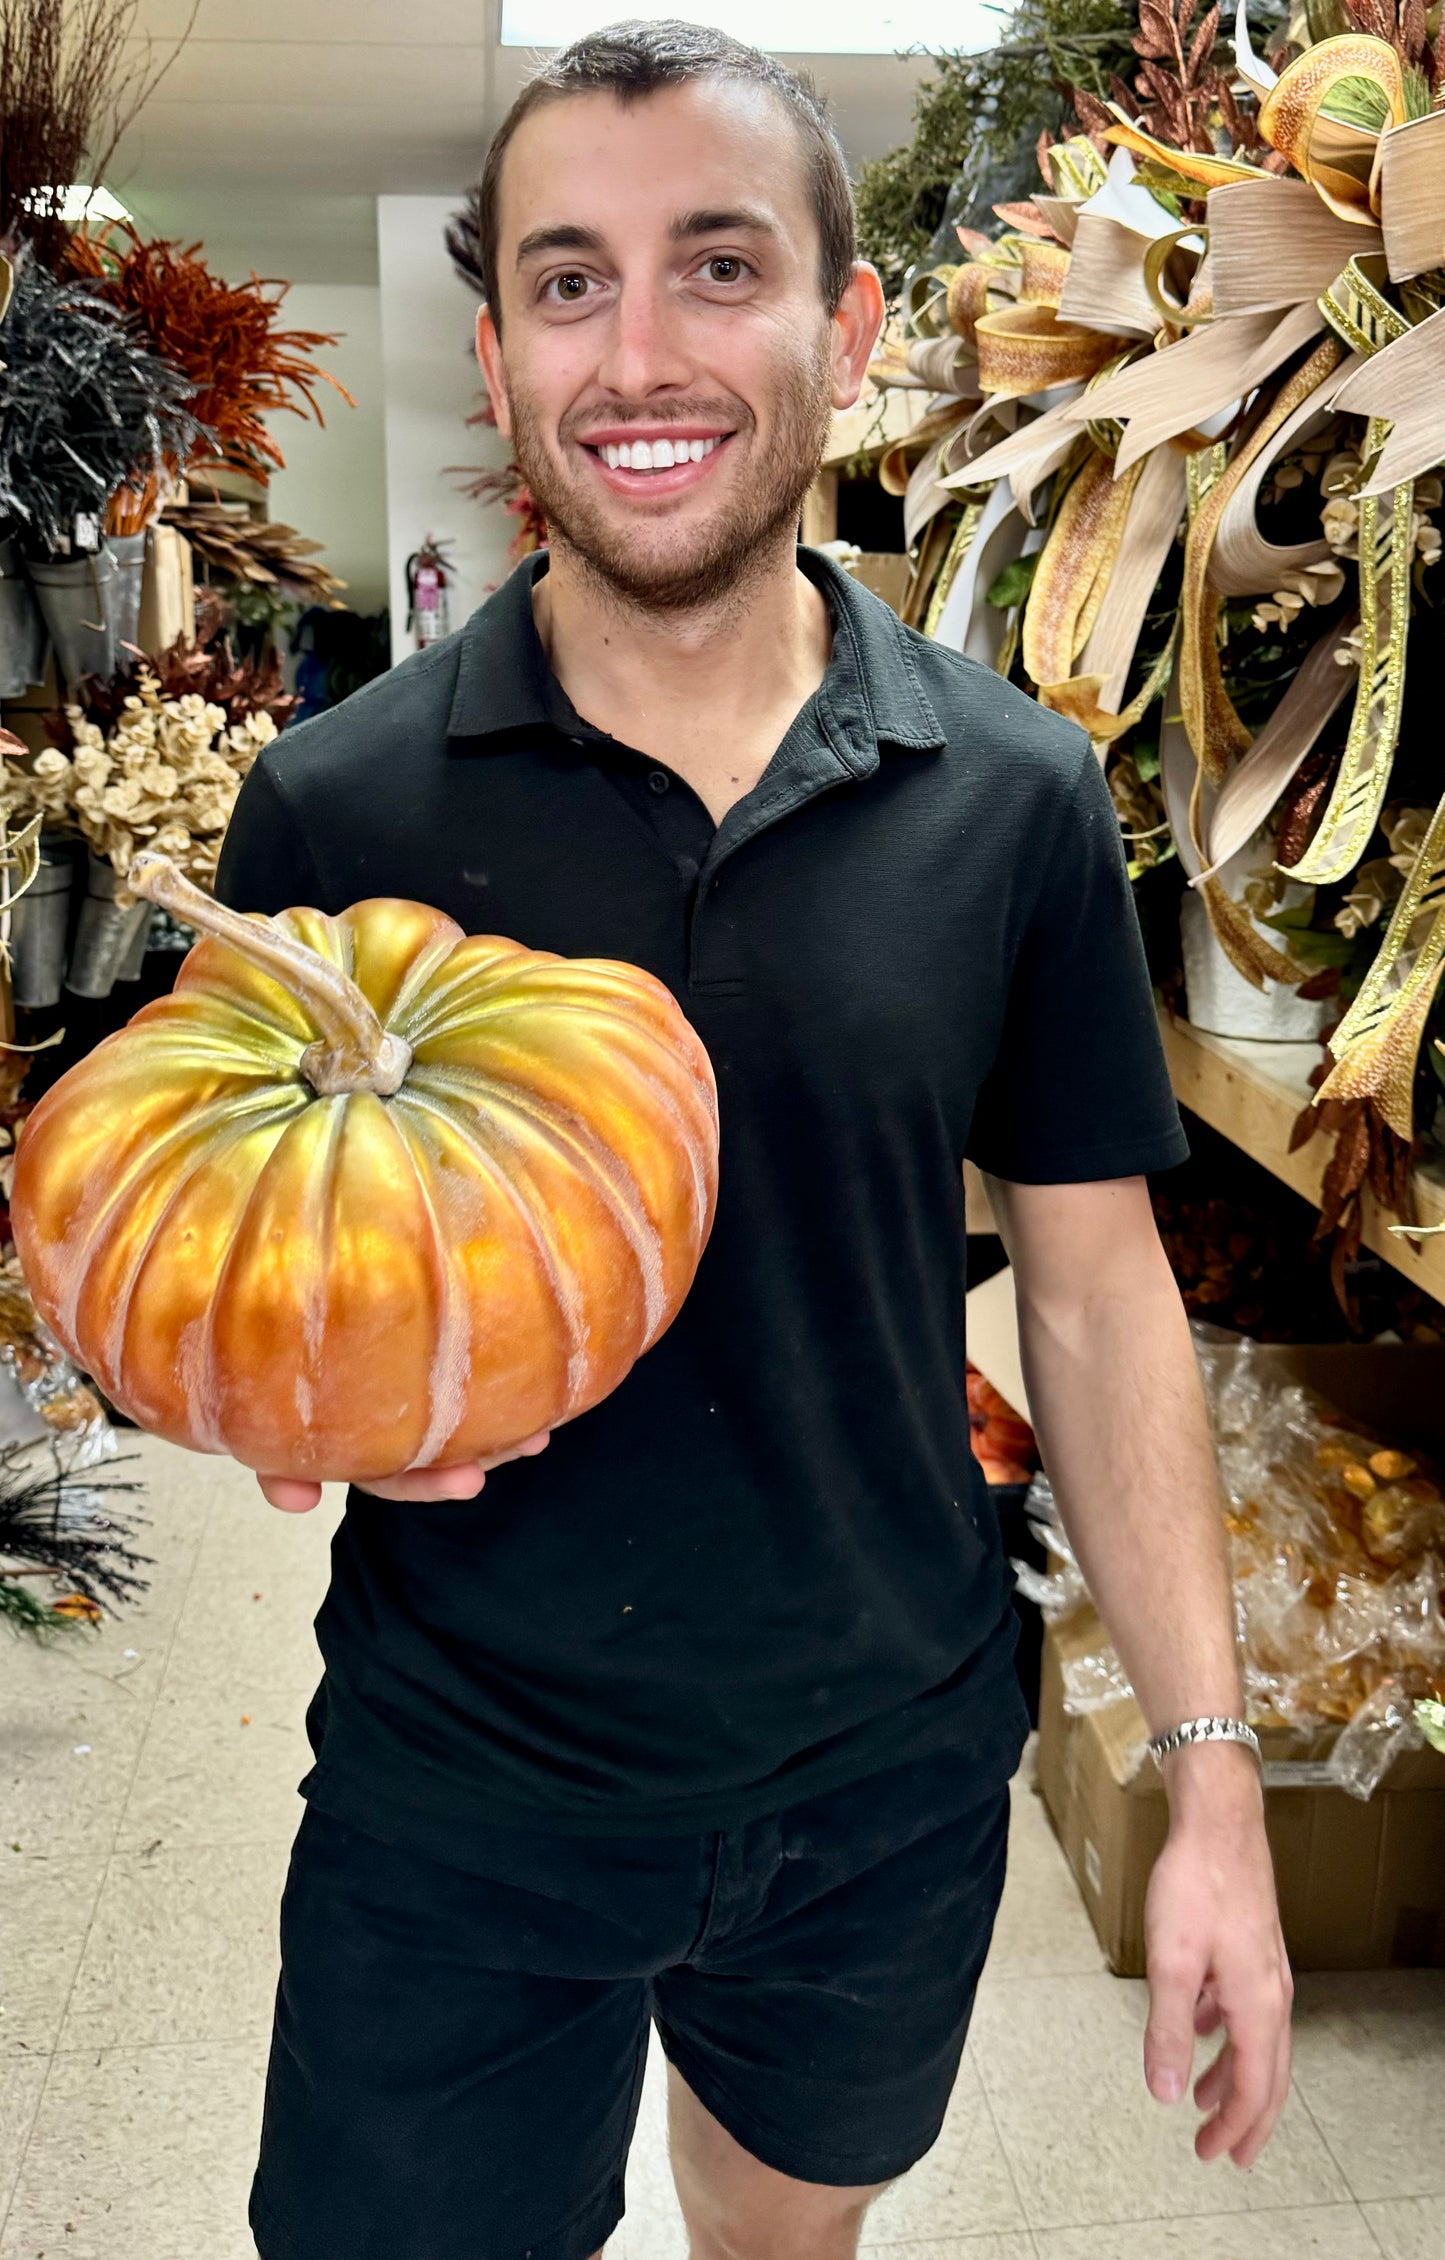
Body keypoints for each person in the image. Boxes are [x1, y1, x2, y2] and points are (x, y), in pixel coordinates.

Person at [217, 23, 1292, 2260]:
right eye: (573, 281)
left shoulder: (1011, 797)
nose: (644, 353)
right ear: (501, 350)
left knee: (781, 2227)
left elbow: (1097, 1294)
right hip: (460, 1780)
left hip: (880, 1772)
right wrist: (275, 1394)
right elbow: (193, 1245)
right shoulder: (340, 810)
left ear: (849, 322)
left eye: (719, 267)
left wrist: (1213, 1786)